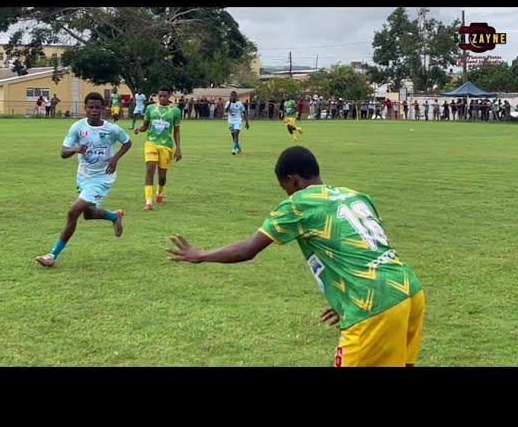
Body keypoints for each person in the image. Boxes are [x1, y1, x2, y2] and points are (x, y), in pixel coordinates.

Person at [167, 146, 425, 367]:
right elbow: (365, 249)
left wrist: (201, 254)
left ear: (292, 180)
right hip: (409, 290)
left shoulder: (298, 203)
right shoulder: (354, 195)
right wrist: (345, 296)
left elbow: (248, 249)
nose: (286, 193)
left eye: (284, 187)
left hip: (373, 303)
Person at [35, 92, 132, 267]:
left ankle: (52, 255)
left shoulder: (112, 129)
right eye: (90, 107)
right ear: (85, 108)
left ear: (103, 109)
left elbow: (127, 142)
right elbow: (63, 153)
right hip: (83, 176)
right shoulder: (77, 127)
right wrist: (76, 148)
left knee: (74, 212)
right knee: (88, 214)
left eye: (97, 107)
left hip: (102, 177)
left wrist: (115, 158)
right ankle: (114, 216)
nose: (94, 111)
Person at [133, 85, 181, 211]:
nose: (162, 98)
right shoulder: (150, 108)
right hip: (151, 143)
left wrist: (178, 148)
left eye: (165, 96)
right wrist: (139, 129)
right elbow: (145, 126)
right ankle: (148, 202)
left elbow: (176, 130)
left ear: (170, 96)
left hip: (166, 145)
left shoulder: (175, 111)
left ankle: (159, 192)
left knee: (162, 177)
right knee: (150, 169)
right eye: (160, 96)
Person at [224, 91, 249, 155]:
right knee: (234, 136)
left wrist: (247, 122)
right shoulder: (228, 103)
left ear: (236, 96)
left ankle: (234, 149)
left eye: (233, 96)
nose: (232, 97)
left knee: (236, 133)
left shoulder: (239, 103)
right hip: (230, 121)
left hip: (238, 120)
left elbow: (244, 112)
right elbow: (226, 111)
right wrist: (229, 103)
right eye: (231, 95)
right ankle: (238, 148)